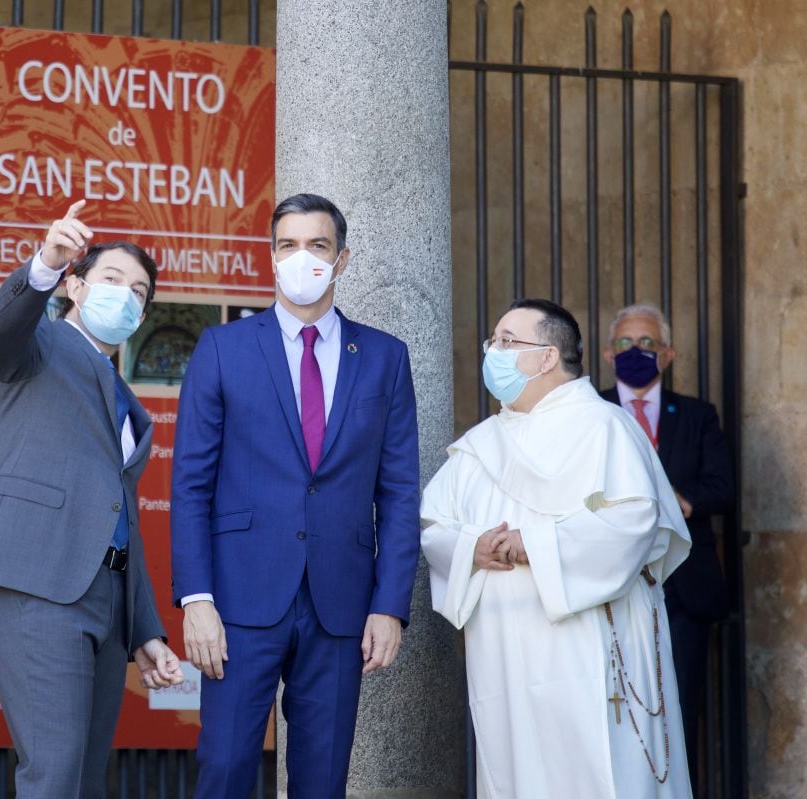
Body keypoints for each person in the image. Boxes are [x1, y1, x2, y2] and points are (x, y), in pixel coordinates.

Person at [171, 193, 421, 797]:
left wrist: (390, 605)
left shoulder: (384, 357)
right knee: (226, 768)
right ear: (271, 257)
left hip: (340, 604)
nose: (300, 258)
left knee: (323, 778)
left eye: (317, 246)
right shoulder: (223, 348)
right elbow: (190, 483)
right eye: (287, 245)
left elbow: (400, 491)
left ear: (342, 260)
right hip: (238, 600)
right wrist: (195, 598)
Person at [0, 200, 184, 797]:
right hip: (36, 581)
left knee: (82, 779)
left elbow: (120, 516)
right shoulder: (38, 345)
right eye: (112, 280)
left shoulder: (129, 403)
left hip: (105, 599)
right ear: (75, 286)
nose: (126, 296)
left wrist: (145, 632)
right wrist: (44, 264)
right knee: (52, 774)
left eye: (140, 291)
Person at [421, 298, 694, 798]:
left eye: (507, 341)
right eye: (492, 342)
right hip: (503, 651)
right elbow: (433, 525)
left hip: (590, 645)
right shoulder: (480, 445)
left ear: (547, 357)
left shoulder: (605, 427)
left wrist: (535, 545)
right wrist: (472, 546)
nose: (493, 352)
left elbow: (634, 522)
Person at [602, 303, 735, 790]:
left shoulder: (697, 416)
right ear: (605, 353)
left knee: (680, 713)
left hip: (683, 592)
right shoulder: (592, 412)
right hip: (607, 589)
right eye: (623, 344)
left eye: (646, 344)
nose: (634, 352)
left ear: (669, 354)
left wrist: (677, 500)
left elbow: (723, 488)